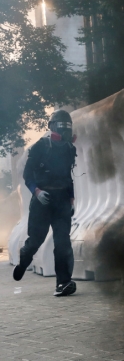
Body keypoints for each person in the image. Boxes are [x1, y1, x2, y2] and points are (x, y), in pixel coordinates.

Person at [14, 109, 77, 297]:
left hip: (62, 201)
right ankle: (24, 261)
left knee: (63, 243)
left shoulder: (69, 149)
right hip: (42, 201)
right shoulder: (40, 147)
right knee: (35, 240)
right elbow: (27, 175)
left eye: (68, 126)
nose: (65, 129)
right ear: (51, 127)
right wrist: (37, 191)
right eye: (61, 125)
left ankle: (63, 283)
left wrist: (71, 199)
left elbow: (68, 176)